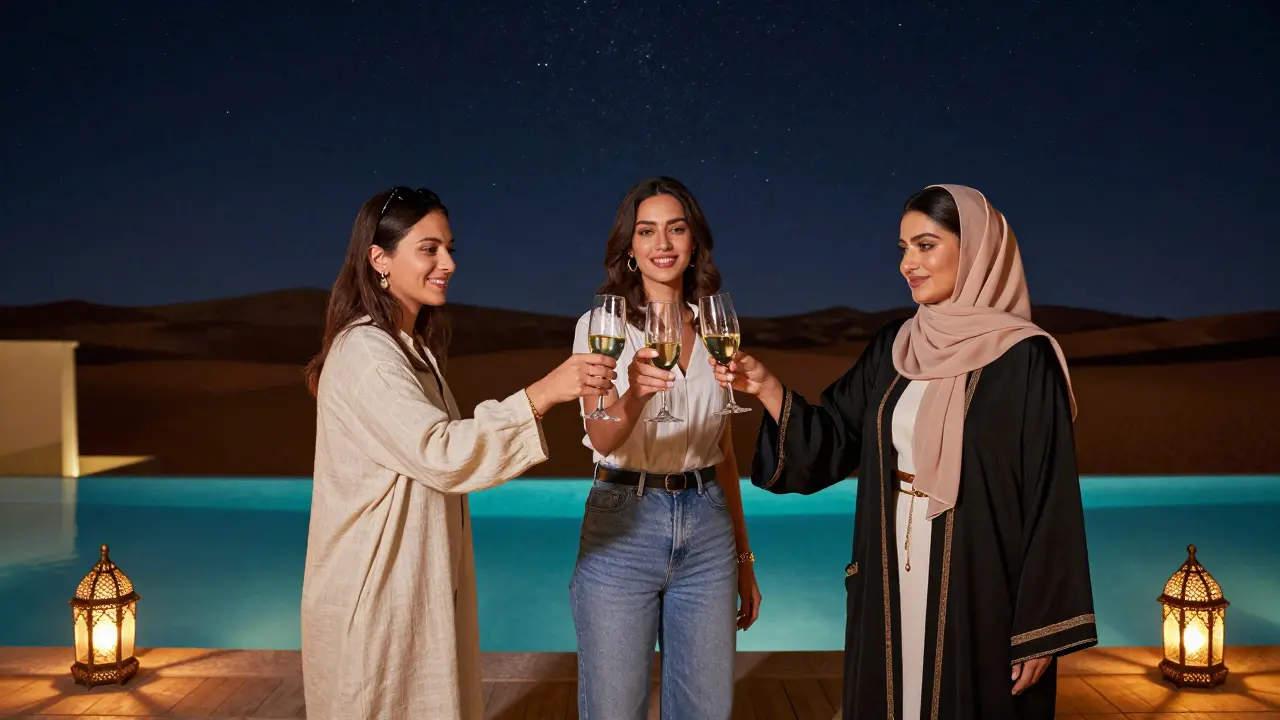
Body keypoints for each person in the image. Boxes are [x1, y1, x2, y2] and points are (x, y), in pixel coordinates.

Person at [712, 184, 1096, 719]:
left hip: (980, 580)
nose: (906, 264)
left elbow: (1050, 497)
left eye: (925, 245)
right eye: (903, 248)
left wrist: (1041, 626)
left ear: (976, 249)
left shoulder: (1026, 359)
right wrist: (769, 390)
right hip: (890, 563)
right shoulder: (895, 346)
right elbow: (835, 437)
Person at [300, 186, 617, 720]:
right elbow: (441, 452)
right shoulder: (366, 353)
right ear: (379, 259)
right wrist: (542, 394)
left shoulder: (407, 348)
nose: (447, 263)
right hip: (377, 595)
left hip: (410, 586)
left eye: (449, 249)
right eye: (429, 249)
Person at [570, 176, 762, 719]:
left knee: (706, 710)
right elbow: (602, 437)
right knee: (614, 709)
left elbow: (724, 451)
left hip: (708, 527)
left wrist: (744, 559)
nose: (662, 243)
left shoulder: (717, 327)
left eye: (676, 229)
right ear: (629, 249)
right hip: (623, 524)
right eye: (647, 231)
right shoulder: (601, 328)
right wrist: (634, 391)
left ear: (693, 242)